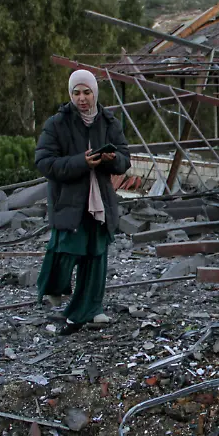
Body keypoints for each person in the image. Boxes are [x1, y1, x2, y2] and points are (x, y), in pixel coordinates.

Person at [35, 69, 131, 335]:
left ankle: (89, 310)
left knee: (95, 256)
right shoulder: (58, 123)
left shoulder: (109, 122)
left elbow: (125, 158)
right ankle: (53, 289)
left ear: (95, 93)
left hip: (100, 202)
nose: (82, 98)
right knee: (65, 250)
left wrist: (113, 160)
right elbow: (44, 161)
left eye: (87, 92)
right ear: (70, 95)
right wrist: (81, 162)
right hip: (69, 201)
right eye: (76, 93)